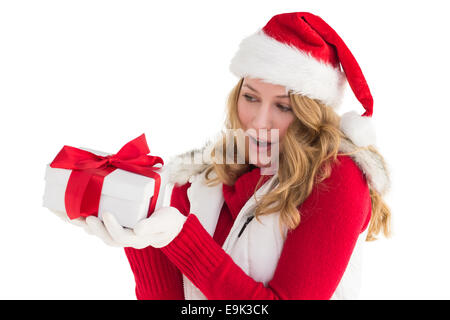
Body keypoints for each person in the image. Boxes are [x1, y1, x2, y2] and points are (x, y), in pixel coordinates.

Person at [52, 12, 391, 299]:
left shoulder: (338, 177)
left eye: (284, 106)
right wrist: (141, 234)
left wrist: (181, 239)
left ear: (311, 114)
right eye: (251, 97)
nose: (258, 122)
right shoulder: (207, 176)